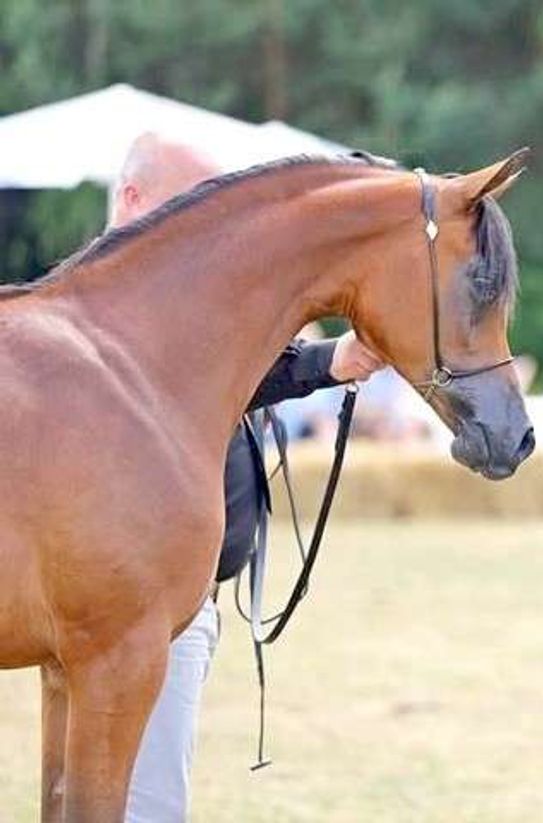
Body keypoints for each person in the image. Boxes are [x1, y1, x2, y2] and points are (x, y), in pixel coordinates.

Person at [108, 133, 385, 822]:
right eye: (188, 207)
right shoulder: (113, 308)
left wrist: (330, 363)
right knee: (146, 806)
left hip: (182, 594)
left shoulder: (157, 297)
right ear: (133, 199)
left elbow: (238, 369)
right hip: (136, 599)